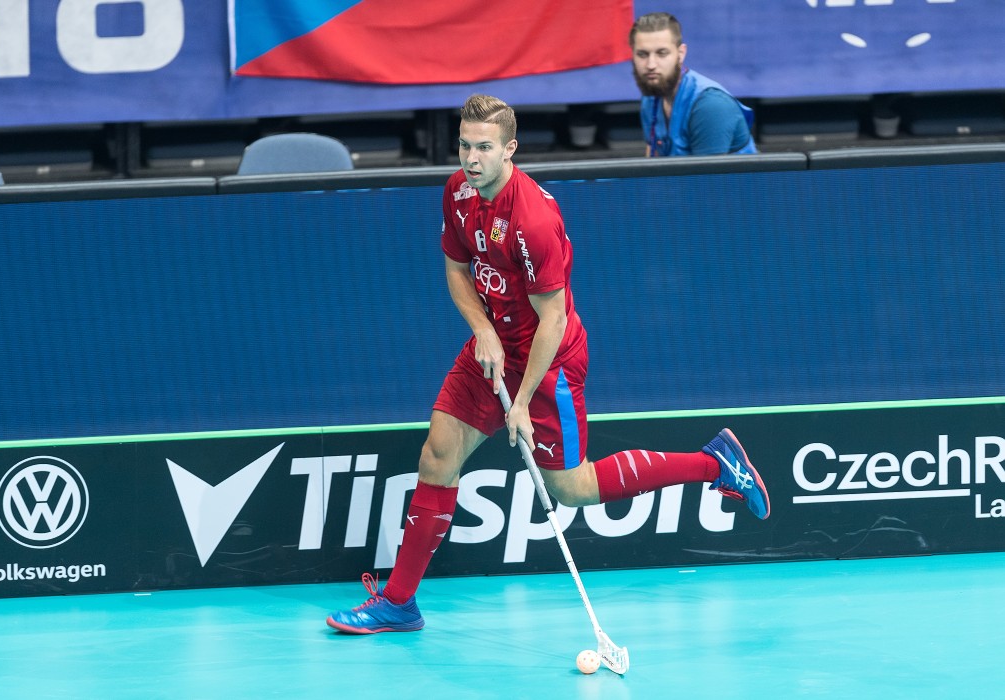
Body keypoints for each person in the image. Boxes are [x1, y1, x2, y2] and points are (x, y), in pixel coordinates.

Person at [325, 94, 770, 634]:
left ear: (510, 149)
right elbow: (457, 269)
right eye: (464, 145)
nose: (470, 158)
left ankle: (714, 464)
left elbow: (553, 321)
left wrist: (519, 402)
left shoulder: (532, 218)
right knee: (437, 456)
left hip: (549, 362)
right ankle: (399, 602)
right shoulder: (458, 192)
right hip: (493, 349)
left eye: (484, 147)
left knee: (573, 489)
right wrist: (483, 330)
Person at [630, 12, 757, 156]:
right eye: (642, 54)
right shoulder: (651, 96)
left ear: (681, 54)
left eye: (662, 53)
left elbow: (705, 177)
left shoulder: (710, 105)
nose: (651, 65)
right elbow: (652, 157)